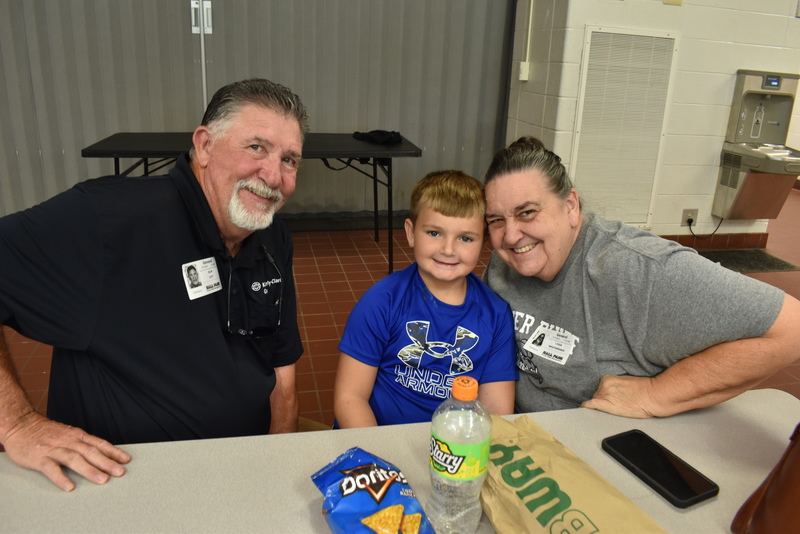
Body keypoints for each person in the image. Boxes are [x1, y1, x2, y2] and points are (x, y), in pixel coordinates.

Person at [0, 78, 309, 491]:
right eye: (256, 147)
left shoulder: (272, 236)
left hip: (240, 476)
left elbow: (282, 370)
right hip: (126, 487)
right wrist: (16, 423)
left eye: (290, 160)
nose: (273, 175)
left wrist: (275, 466)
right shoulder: (110, 220)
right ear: (203, 145)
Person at [481, 136, 800, 418]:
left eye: (527, 213)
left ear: (570, 206)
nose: (510, 236)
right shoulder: (502, 267)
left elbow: (792, 328)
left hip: (591, 446)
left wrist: (656, 393)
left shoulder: (634, 270)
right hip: (519, 435)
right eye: (496, 220)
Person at [333, 170, 518, 428]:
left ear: (482, 242)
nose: (448, 249)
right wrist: (381, 461)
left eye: (465, 238)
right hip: (376, 443)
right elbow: (350, 398)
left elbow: (496, 413)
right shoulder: (381, 301)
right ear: (411, 233)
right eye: (434, 233)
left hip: (454, 451)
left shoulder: (495, 316)